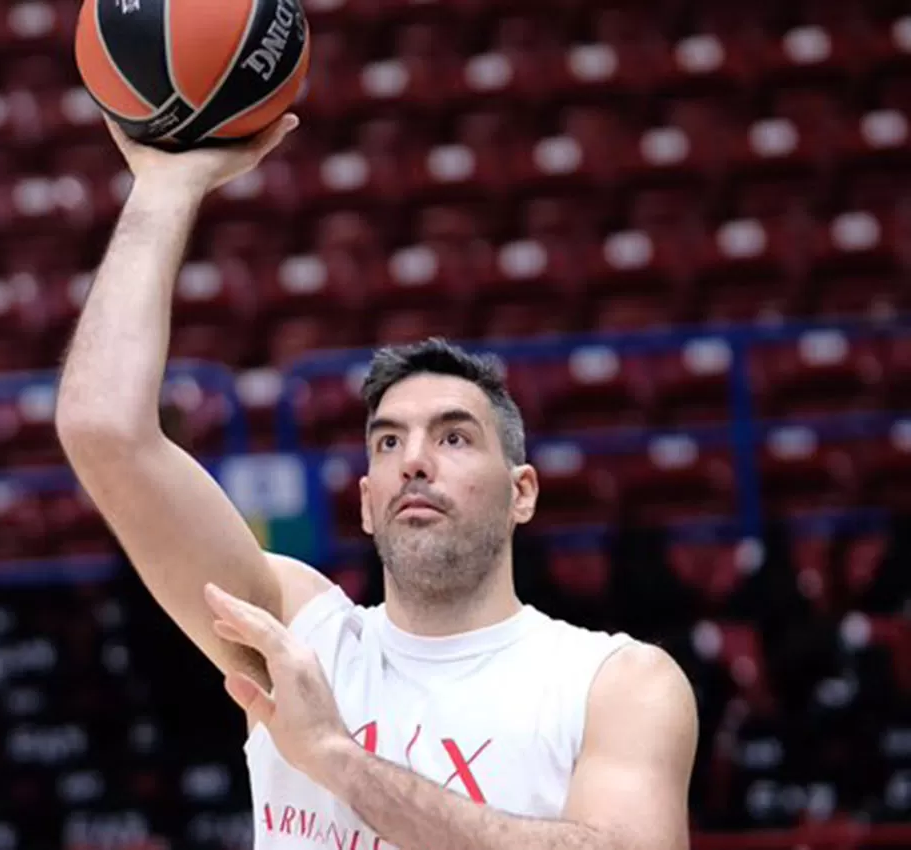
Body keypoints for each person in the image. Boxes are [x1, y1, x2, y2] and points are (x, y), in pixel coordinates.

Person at [54, 112, 699, 850]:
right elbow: (103, 431)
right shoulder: (295, 636)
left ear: (522, 491)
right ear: (365, 502)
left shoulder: (616, 681)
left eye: (454, 436)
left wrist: (337, 759)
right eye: (387, 441)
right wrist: (166, 188)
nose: (413, 460)